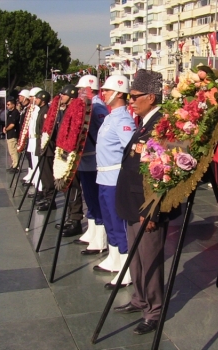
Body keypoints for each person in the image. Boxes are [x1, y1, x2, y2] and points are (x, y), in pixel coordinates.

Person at [113, 69, 171, 335]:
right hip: (132, 204)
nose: (130, 101)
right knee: (136, 259)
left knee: (150, 260)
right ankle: (139, 298)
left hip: (145, 209)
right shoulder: (145, 123)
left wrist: (151, 212)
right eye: (128, 96)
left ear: (151, 96)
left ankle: (154, 310)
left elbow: (163, 174)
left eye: (134, 96)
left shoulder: (161, 125)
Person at [93, 75, 136, 285]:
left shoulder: (124, 120)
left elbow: (131, 151)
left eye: (108, 91)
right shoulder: (110, 118)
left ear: (119, 93)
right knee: (109, 221)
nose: (104, 94)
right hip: (103, 176)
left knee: (119, 224)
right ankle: (114, 257)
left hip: (115, 179)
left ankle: (127, 269)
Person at [37, 85, 84, 237]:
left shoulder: (76, 110)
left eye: (63, 95)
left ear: (71, 96)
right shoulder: (63, 111)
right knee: (65, 187)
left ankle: (75, 218)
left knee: (73, 187)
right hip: (62, 151)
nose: (61, 97)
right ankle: (70, 216)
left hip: (72, 154)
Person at [72, 75, 109, 254]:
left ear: (90, 89)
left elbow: (103, 130)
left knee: (95, 198)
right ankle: (93, 230)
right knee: (89, 197)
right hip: (86, 157)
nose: (78, 92)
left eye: (81, 89)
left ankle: (101, 239)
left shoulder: (98, 106)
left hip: (94, 159)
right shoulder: (88, 105)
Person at [4, 98, 21, 172]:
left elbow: (12, 124)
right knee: (11, 151)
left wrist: (6, 129)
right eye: (6, 104)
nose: (7, 106)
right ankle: (14, 163)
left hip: (13, 134)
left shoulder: (15, 113)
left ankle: (16, 166)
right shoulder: (9, 112)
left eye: (8, 104)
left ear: (13, 105)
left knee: (13, 150)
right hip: (9, 134)